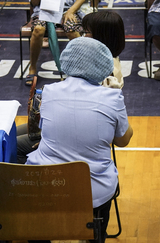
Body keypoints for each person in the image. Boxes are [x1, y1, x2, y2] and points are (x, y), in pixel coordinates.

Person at [26, 36, 133, 243]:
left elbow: (45, 130)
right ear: (103, 67)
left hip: (47, 187)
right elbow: (123, 140)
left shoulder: (48, 92)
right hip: (94, 191)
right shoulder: (112, 97)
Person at [16, 10, 126, 163]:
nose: (82, 36)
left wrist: (48, 143)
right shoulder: (103, 59)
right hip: (67, 123)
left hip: (72, 135)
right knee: (13, 132)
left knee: (11, 145)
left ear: (102, 37)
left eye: (87, 32)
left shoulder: (108, 73)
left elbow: (85, 119)